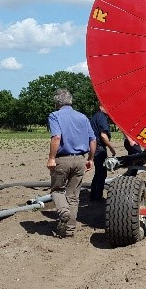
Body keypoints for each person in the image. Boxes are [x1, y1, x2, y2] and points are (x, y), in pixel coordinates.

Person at [46, 88, 96, 238]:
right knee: (73, 196)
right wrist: (90, 159)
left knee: (57, 190)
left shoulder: (55, 116)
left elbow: (56, 137)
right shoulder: (82, 117)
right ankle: (69, 231)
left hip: (63, 159)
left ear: (56, 102)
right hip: (80, 159)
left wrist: (51, 158)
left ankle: (63, 211)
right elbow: (93, 140)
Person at [90, 104, 116, 201]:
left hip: (94, 147)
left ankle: (93, 195)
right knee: (102, 173)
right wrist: (111, 148)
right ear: (100, 107)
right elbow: (103, 136)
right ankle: (98, 197)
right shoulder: (102, 117)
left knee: (98, 172)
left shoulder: (96, 117)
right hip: (99, 148)